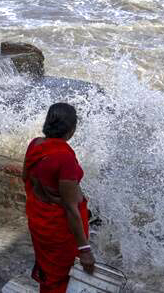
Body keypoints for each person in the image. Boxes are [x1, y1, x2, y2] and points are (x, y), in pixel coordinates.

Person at [24, 102, 93, 292]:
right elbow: (71, 209)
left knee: (48, 271)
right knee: (62, 276)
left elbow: (26, 178)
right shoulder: (64, 158)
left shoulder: (36, 144)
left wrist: (48, 196)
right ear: (71, 129)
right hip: (60, 228)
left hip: (40, 219)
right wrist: (84, 250)